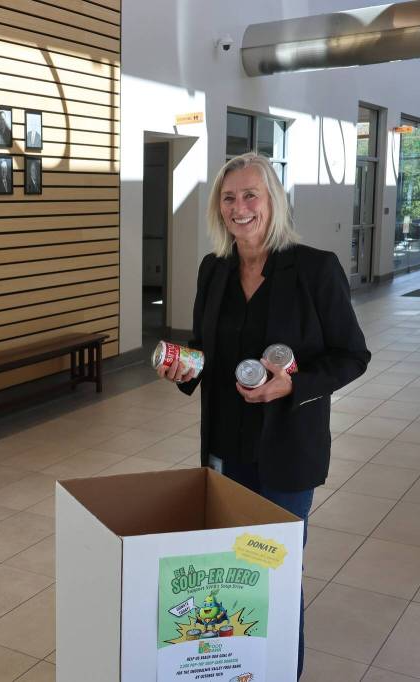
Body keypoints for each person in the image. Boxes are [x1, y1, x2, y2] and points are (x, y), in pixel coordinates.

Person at [157, 152, 370, 680]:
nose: (240, 207)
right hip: (225, 453)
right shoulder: (214, 270)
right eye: (229, 198)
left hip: (286, 456)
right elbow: (206, 351)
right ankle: (234, 668)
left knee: (273, 572)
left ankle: (280, 671)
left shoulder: (313, 269)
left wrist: (292, 385)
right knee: (228, 572)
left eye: (251, 195)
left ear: (272, 200)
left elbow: (352, 356)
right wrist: (186, 369)